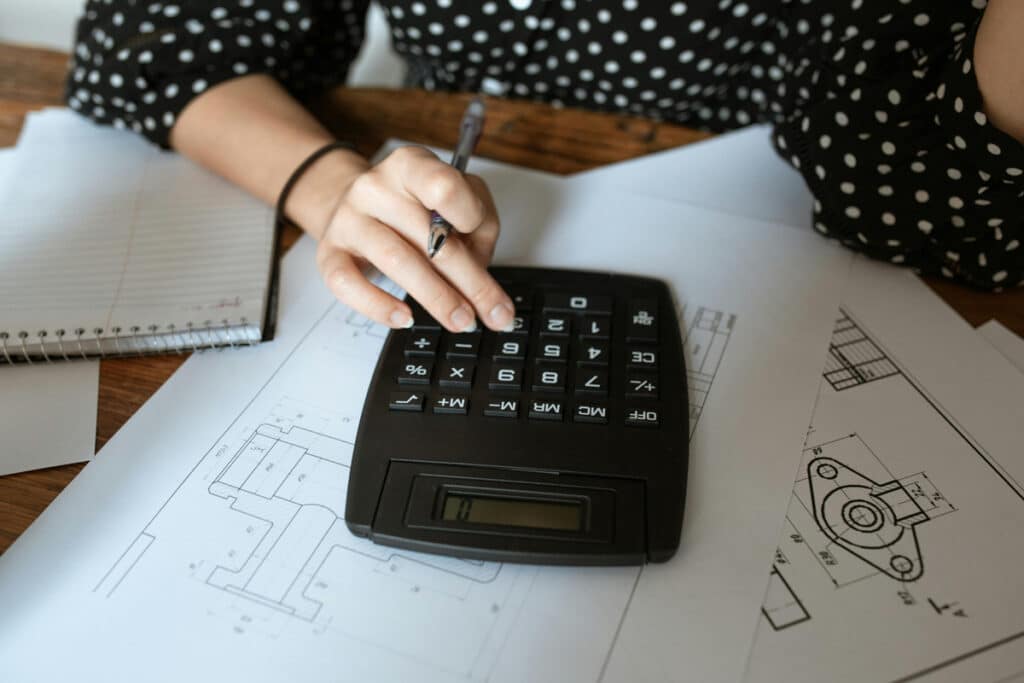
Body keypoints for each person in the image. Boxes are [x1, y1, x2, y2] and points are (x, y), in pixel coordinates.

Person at [66, 1, 1023, 333]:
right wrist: (333, 189)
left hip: (757, 204)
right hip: (449, 151)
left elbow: (909, 176)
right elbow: (152, 42)